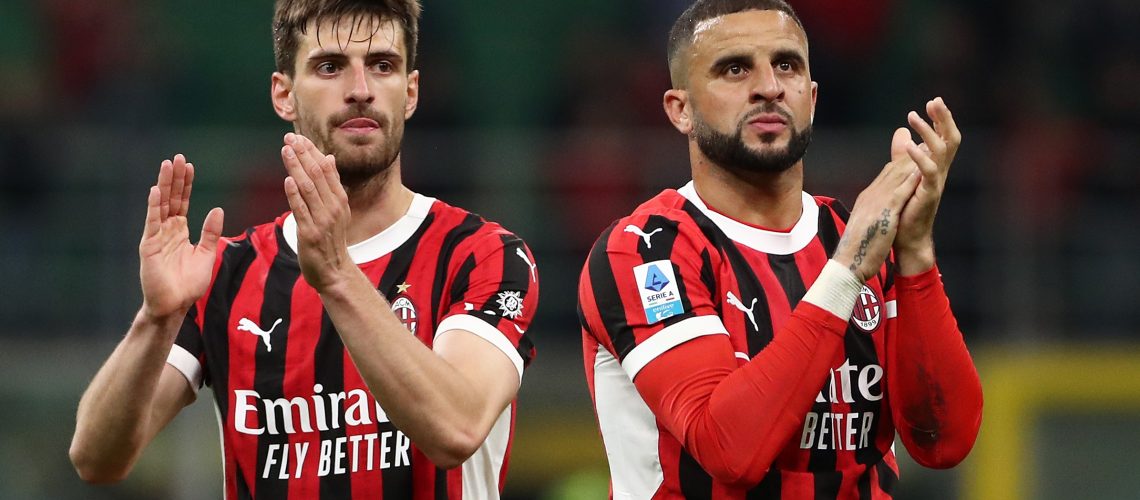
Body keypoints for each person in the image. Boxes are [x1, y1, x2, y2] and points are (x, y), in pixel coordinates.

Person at [69, 1, 539, 498]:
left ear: (411, 92)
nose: (360, 90)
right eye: (330, 67)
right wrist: (156, 319)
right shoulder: (225, 274)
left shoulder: (483, 255)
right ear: (284, 95)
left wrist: (336, 275)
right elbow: (97, 458)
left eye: (383, 65)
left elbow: (458, 429)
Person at [577, 1, 983, 498]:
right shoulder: (646, 251)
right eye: (734, 69)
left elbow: (944, 442)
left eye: (786, 65)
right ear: (680, 110)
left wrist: (916, 251)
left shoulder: (858, 236)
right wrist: (848, 271)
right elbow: (730, 450)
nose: (769, 87)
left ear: (810, 97)